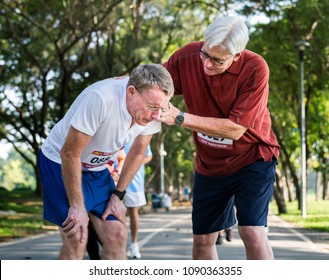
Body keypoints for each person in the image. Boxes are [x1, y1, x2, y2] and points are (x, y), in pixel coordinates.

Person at [156, 15, 280, 260]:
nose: (207, 64)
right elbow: (153, 83)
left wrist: (180, 117)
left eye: (217, 60)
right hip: (210, 164)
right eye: (205, 54)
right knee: (202, 240)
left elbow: (236, 129)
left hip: (252, 158)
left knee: (252, 232)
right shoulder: (188, 56)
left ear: (237, 55)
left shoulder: (255, 68)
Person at [37, 63, 174, 260]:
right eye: (151, 107)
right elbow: (69, 153)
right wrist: (77, 206)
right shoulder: (101, 99)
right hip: (60, 162)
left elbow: (137, 153)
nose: (155, 115)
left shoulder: (156, 110)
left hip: (97, 168)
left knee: (118, 235)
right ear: (131, 92)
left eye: (161, 108)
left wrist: (117, 196)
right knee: (77, 236)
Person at [123, 143, 153, 259]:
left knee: (133, 211)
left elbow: (148, 155)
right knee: (115, 212)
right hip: (114, 175)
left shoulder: (142, 131)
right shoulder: (116, 128)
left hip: (134, 180)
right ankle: (116, 245)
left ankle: (134, 244)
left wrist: (137, 162)